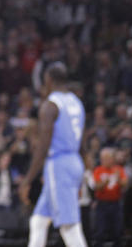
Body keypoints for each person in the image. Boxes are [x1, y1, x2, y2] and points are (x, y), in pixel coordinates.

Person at [19, 63, 88, 247]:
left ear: (48, 80)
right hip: (75, 161)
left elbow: (43, 147)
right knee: (39, 221)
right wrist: (86, 169)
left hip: (59, 165)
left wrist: (27, 180)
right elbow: (82, 142)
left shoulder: (50, 106)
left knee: (69, 227)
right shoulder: (76, 102)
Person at [91, 147, 128, 246]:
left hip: (116, 203)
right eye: (104, 158)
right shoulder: (98, 170)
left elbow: (125, 184)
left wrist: (119, 179)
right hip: (102, 204)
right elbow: (96, 187)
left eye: (108, 158)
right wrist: (106, 182)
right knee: (100, 230)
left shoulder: (119, 169)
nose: (106, 160)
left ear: (113, 159)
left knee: (117, 230)